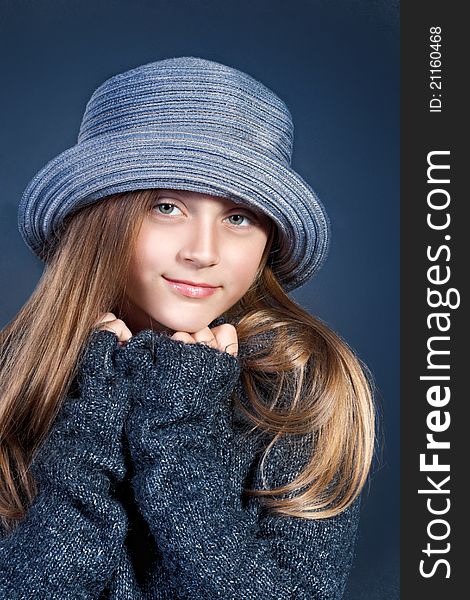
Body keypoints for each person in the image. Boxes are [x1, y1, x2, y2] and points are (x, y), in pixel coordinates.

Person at [0, 57, 375, 599]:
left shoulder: (301, 384)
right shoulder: (17, 374)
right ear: (102, 219)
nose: (203, 253)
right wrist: (84, 441)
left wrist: (180, 445)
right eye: (168, 206)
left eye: (238, 217)